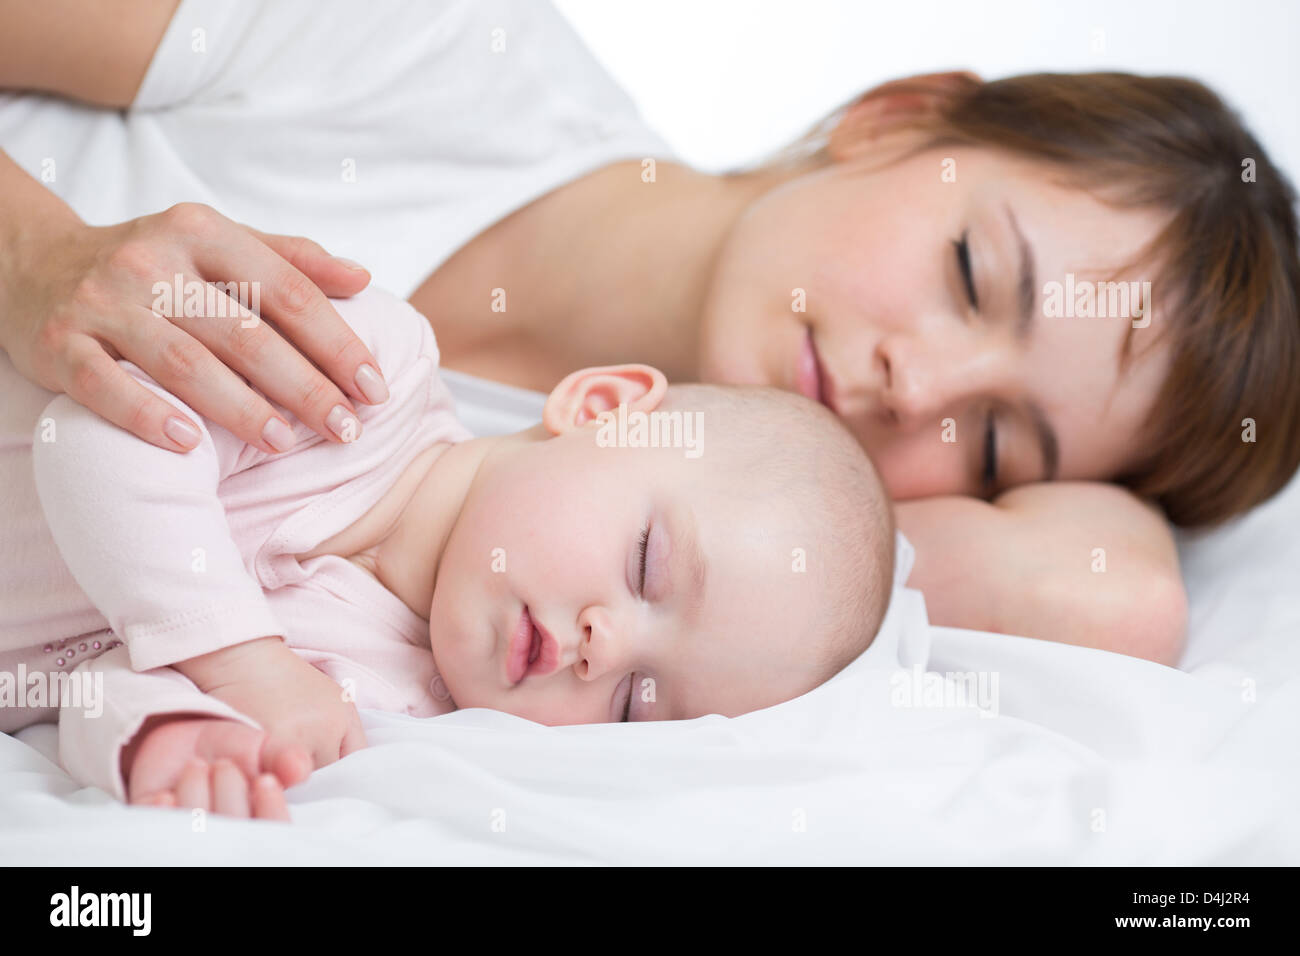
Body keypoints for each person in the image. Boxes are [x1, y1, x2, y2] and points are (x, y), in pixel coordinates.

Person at [2, 0, 1296, 661]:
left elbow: (1114, 600)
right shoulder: (426, 45)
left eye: (1001, 446)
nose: (920, 387)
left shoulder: (619, 582)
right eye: (971, 269)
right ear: (900, 116)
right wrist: (38, 258)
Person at [3, 285, 894, 819]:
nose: (604, 647)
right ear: (600, 408)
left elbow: (104, 684)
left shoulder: (397, 704)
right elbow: (93, 439)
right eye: (647, 564)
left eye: (634, 703)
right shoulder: (362, 368)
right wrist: (246, 667)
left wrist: (177, 742)